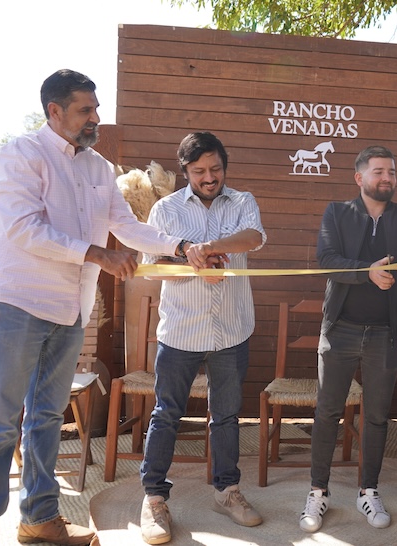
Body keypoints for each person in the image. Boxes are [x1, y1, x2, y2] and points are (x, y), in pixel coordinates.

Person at [0, 69, 186, 546]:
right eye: (86, 110)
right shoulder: (20, 155)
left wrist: (183, 246)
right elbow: (24, 228)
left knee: (46, 417)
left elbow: (128, 226)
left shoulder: (99, 169)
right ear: (55, 111)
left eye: (96, 108)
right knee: (0, 424)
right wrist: (97, 254)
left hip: (70, 310)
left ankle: (40, 519)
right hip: (18, 303)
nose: (96, 118)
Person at [138, 132, 267, 545]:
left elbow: (253, 238)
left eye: (215, 169)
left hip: (232, 330)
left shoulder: (243, 200)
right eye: (199, 172)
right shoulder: (165, 209)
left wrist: (209, 247)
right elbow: (151, 265)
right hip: (180, 331)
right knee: (166, 415)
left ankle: (226, 491)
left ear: (224, 165)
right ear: (185, 171)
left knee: (227, 416)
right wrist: (189, 258)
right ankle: (155, 498)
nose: (209, 178)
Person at [299, 145, 397, 533]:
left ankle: (368, 491)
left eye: (391, 172)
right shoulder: (337, 213)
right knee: (327, 412)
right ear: (359, 178)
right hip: (340, 329)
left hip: (387, 333)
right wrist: (366, 272)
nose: (387, 178)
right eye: (378, 172)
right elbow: (327, 261)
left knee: (376, 416)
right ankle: (318, 491)